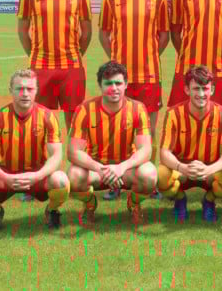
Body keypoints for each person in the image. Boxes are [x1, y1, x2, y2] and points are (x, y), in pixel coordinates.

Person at [99, 0, 169, 201]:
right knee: (118, 130)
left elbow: (164, 35)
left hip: (149, 76)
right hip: (120, 79)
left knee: (149, 131)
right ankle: (116, 180)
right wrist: (116, 61)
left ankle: (149, 181)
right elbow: (104, 33)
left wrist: (150, 55)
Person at [0, 69, 69, 231]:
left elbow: (56, 155)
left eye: (29, 89)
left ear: (36, 90)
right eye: (19, 89)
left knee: (61, 180)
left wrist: (37, 175)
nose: (25, 94)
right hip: (7, 173)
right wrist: (6, 177)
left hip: (37, 174)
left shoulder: (47, 116)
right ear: (11, 90)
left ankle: (52, 210)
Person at [67, 61, 157, 225]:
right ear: (100, 86)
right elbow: (73, 152)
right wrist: (100, 169)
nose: (114, 88)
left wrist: (121, 167)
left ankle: (134, 204)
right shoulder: (84, 110)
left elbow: (146, 150)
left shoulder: (137, 108)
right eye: (108, 83)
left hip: (126, 170)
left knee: (149, 174)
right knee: (73, 176)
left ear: (126, 84)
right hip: (97, 170)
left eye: (118, 83)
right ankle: (89, 204)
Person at [17, 0, 92, 130]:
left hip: (72, 67)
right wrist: (35, 54)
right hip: (41, 66)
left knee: (75, 123)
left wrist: (75, 54)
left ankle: (74, 152)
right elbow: (23, 30)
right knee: (40, 122)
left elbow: (87, 31)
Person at [158, 66, 222, 223]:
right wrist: (183, 168)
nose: (201, 94)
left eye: (205, 88)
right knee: (161, 175)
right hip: (182, 170)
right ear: (187, 90)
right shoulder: (173, 114)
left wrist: (209, 169)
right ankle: (180, 199)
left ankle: (209, 200)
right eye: (196, 88)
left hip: (209, 172)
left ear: (212, 90)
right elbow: (164, 153)